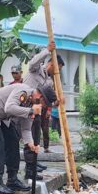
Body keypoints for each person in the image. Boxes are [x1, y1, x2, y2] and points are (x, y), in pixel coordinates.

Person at [0, 83, 56, 194]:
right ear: (40, 97)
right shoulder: (22, 90)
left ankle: (12, 180)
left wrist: (31, 144)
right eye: (44, 104)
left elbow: (26, 129)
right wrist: (30, 111)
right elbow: (9, 108)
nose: (42, 107)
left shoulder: (31, 105)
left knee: (13, 140)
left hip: (1, 117)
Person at [23, 42, 65, 178]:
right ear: (52, 64)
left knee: (36, 137)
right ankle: (29, 170)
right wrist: (47, 50)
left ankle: (34, 163)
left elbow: (49, 98)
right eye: (58, 68)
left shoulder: (49, 81)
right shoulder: (36, 69)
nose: (58, 72)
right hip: (26, 107)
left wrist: (58, 101)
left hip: (38, 110)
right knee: (28, 138)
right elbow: (33, 62)